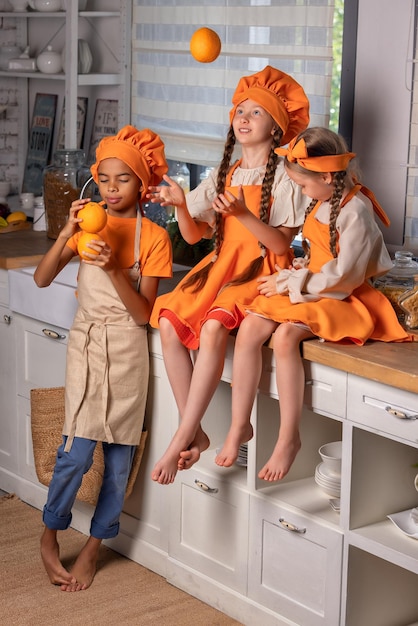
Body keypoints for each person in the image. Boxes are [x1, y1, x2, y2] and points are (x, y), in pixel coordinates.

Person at [216, 126, 413, 481]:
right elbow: (320, 256)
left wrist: (292, 281)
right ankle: (239, 425)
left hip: (341, 296)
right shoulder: (323, 200)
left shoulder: (356, 210)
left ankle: (289, 437)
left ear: (326, 175)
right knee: (249, 328)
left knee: (286, 338)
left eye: (304, 185)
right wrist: (298, 269)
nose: (302, 191)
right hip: (311, 285)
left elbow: (344, 276)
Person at [147, 66, 310, 484]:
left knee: (216, 326)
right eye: (241, 109)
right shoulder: (226, 173)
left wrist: (242, 214)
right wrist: (181, 206)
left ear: (276, 128)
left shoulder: (287, 178)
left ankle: (181, 435)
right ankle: (195, 429)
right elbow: (194, 234)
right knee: (168, 320)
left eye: (257, 112)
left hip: (260, 269)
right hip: (221, 266)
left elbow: (279, 246)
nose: (244, 117)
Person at [34, 125, 172, 591]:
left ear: (143, 185)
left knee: (117, 465)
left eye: (124, 180)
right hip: (87, 343)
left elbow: (142, 315)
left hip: (129, 351)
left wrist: (114, 268)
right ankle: (50, 534)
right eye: (105, 179)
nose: (113, 189)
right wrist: (68, 231)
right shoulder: (88, 224)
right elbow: (42, 277)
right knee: (75, 453)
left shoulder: (154, 237)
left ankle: (94, 548)